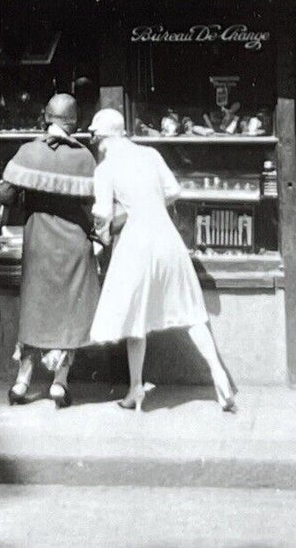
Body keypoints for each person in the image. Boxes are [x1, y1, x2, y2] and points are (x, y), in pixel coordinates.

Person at [86, 108, 236, 412]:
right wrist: (147, 205)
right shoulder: (151, 154)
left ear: (101, 138)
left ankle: (135, 389)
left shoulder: (105, 169)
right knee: (191, 312)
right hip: (167, 238)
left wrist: (104, 233)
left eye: (95, 137)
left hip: (136, 243)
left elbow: (101, 214)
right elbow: (173, 191)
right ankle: (218, 374)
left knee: (135, 319)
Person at [0, 93, 100, 407]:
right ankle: (59, 383)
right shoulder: (85, 158)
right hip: (74, 245)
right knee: (69, 311)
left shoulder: (28, 151)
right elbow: (95, 204)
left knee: (35, 308)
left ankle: (22, 382)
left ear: (47, 116)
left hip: (39, 242)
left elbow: (5, 196)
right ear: (75, 121)